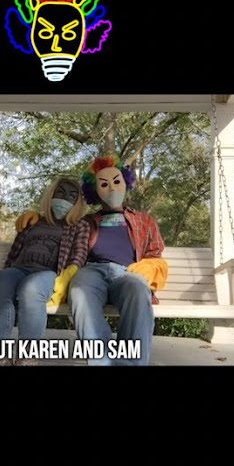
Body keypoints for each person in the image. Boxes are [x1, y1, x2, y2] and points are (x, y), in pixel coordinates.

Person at [64, 156, 168, 366]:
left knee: (138, 289)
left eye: (116, 181)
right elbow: (62, 236)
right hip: (93, 270)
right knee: (79, 292)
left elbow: (155, 253)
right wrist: (36, 218)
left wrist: (148, 267)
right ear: (95, 191)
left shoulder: (144, 220)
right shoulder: (86, 222)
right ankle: (102, 361)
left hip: (128, 272)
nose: (112, 188)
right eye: (104, 184)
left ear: (125, 182)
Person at [0, 177, 89, 366]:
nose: (64, 198)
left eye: (71, 196)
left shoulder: (79, 226)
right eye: (60, 192)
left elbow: (79, 253)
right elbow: (15, 251)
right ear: (51, 195)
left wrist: (67, 276)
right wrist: (7, 274)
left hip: (47, 273)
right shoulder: (33, 221)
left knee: (30, 289)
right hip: (19, 269)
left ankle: (28, 355)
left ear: (77, 203)